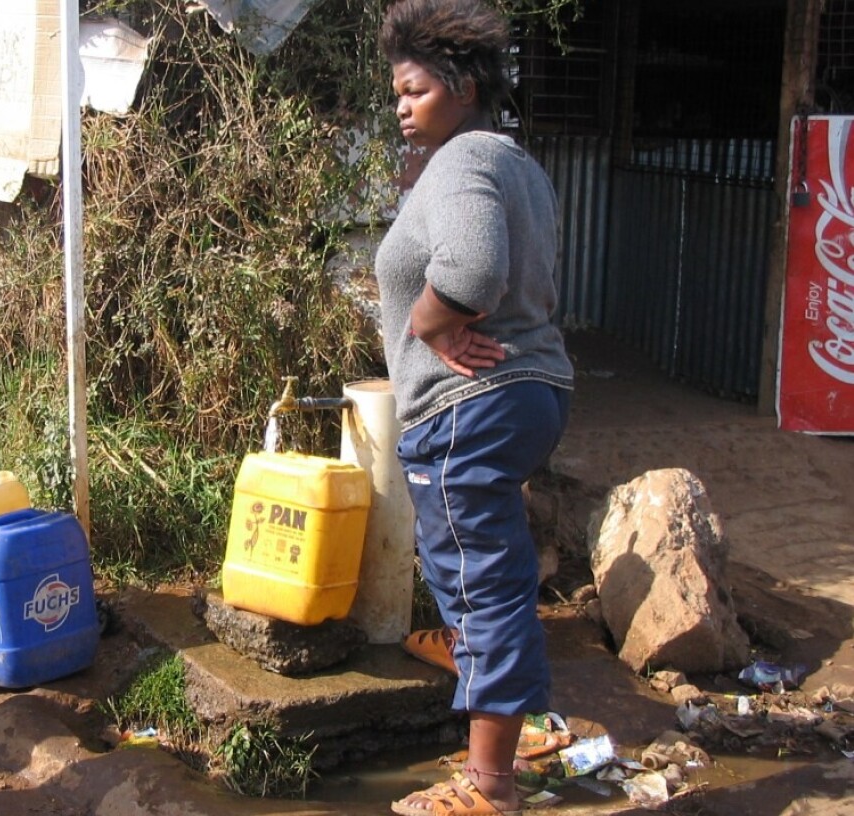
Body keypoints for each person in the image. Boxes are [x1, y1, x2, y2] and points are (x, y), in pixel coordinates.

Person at [373, 1, 575, 814]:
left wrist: (428, 320)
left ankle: (491, 787)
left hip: (469, 403)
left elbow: (475, 266)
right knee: (469, 552)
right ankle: (470, 649)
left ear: (459, 86)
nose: (400, 106)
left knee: (484, 578)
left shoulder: (460, 162)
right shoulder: (519, 164)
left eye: (413, 89)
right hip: (527, 393)